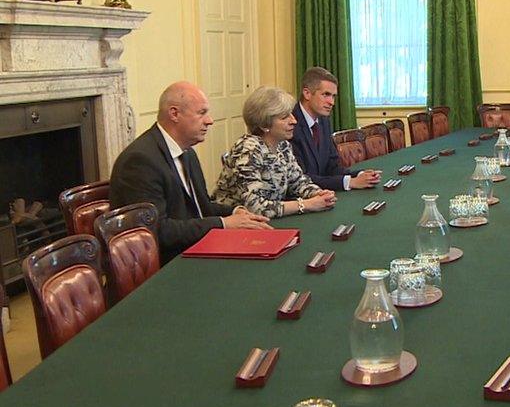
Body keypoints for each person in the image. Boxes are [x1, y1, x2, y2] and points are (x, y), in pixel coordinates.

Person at [109, 81, 272, 265]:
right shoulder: (140, 161)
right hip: (169, 264)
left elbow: (200, 206)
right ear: (174, 114)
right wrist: (223, 223)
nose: (210, 120)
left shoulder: (187, 152)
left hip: (195, 250)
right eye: (202, 113)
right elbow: (158, 231)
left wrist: (236, 212)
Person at [212, 86, 338, 218]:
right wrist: (306, 204)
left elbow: (298, 182)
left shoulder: (283, 145)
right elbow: (254, 207)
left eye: (291, 114)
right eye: (284, 118)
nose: (294, 121)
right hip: (236, 227)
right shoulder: (247, 150)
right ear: (264, 124)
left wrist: (319, 194)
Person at [291, 67, 381, 191]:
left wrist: (358, 175)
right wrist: (349, 182)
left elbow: (332, 167)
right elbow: (300, 178)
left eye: (333, 96)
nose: (331, 102)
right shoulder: (290, 124)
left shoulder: (323, 121)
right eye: (326, 95)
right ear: (307, 93)